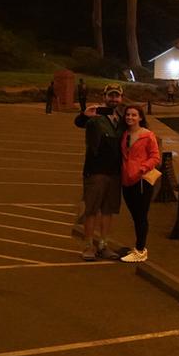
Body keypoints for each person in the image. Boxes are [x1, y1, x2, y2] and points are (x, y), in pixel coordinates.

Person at [74, 84, 125, 260]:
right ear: (104, 96)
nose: (113, 99)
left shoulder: (122, 118)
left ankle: (103, 245)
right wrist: (84, 115)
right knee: (91, 210)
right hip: (95, 171)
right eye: (110, 95)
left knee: (108, 210)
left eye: (116, 96)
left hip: (115, 172)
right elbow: (79, 123)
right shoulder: (95, 116)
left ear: (121, 99)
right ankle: (88, 246)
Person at [118, 103, 160, 263]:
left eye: (134, 115)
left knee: (141, 216)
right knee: (135, 216)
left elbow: (155, 157)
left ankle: (141, 250)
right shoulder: (124, 134)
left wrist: (142, 169)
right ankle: (138, 247)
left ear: (140, 117)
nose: (130, 117)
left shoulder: (148, 135)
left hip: (142, 181)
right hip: (127, 181)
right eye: (128, 114)